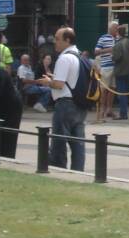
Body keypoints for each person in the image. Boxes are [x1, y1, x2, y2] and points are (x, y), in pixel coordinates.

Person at [37, 27, 87, 171]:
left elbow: (58, 84)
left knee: (59, 140)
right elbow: (70, 80)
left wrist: (48, 82)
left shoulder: (64, 58)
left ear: (67, 40)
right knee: (78, 143)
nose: (55, 42)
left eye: (58, 39)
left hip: (65, 104)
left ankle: (58, 170)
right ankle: (78, 171)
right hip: (80, 104)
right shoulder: (79, 56)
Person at [94, 21, 118, 122]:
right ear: (110, 28)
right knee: (104, 89)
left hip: (116, 67)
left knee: (112, 89)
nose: (117, 30)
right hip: (106, 67)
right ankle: (102, 111)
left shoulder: (118, 39)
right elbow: (96, 51)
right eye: (115, 28)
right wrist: (109, 50)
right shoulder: (103, 38)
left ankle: (109, 109)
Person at [111, 24, 129, 120]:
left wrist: (112, 57)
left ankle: (123, 113)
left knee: (121, 93)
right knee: (125, 92)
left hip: (120, 71)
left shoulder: (118, 44)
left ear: (118, 33)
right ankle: (124, 112)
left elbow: (116, 57)